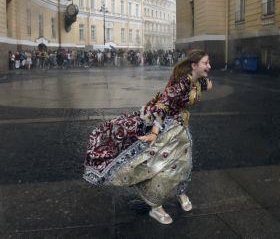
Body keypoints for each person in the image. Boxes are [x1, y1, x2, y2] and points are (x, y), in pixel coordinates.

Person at [83, 49, 213, 224]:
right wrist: (154, 132)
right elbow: (162, 106)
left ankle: (179, 192)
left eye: (208, 62)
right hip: (169, 129)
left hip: (182, 130)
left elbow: (200, 87)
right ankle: (156, 207)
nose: (209, 66)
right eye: (206, 63)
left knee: (183, 164)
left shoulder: (198, 80)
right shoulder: (181, 84)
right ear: (194, 65)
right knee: (159, 166)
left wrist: (206, 86)